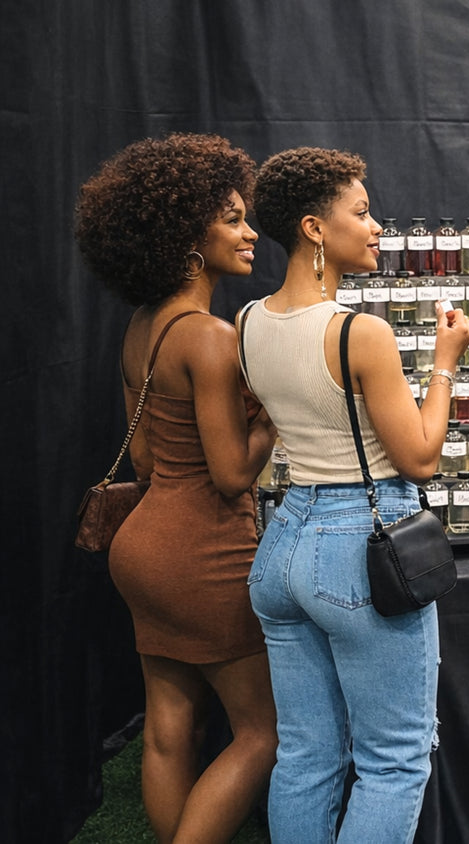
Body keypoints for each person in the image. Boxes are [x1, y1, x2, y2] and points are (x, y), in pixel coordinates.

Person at [240, 147, 469, 843]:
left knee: (306, 755)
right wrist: (445, 365)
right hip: (358, 551)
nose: (376, 228)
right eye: (362, 212)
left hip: (283, 545)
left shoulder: (248, 321)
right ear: (314, 228)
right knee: (394, 760)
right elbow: (420, 458)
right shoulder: (358, 332)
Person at [73, 133, 278, 843]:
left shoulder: (143, 327)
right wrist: (271, 418)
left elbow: (147, 459)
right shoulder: (210, 336)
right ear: (188, 237)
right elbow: (231, 474)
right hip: (203, 554)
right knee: (262, 732)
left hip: (142, 548)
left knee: (169, 729)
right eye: (232, 219)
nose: (250, 233)